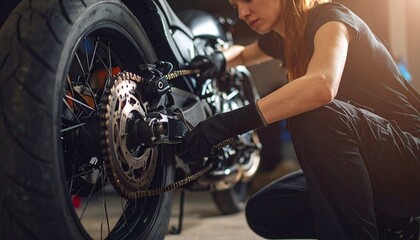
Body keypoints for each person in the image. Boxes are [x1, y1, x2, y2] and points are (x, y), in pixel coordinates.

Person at [180, 0, 420, 239]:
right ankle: (395, 227)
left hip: (410, 162)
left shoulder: (331, 19)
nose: (243, 13)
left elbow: (321, 85)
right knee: (266, 211)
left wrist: (227, 125)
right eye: (235, 6)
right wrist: (219, 61)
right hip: (372, 167)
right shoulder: (285, 38)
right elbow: (243, 54)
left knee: (314, 115)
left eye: (249, 0)